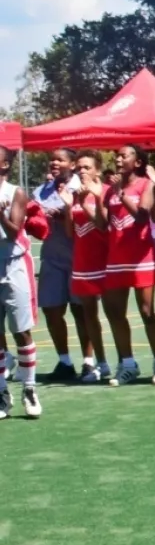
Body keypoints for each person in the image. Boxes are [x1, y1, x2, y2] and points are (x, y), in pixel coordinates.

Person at [99, 144, 155, 386]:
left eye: (124, 155)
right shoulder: (110, 190)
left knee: (147, 312)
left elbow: (142, 217)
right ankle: (128, 364)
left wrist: (120, 193)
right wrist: (94, 195)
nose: (118, 159)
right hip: (116, 259)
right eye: (116, 155)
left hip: (141, 257)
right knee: (115, 313)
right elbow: (101, 223)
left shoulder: (144, 184)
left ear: (137, 162)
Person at [31, 149, 83, 381]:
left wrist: (65, 214)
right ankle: (64, 361)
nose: (54, 162)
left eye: (60, 159)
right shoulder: (40, 191)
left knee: (81, 311)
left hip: (79, 257)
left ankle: (91, 362)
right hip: (51, 257)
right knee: (51, 310)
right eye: (51, 158)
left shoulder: (82, 187)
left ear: (72, 164)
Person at [0, 146, 42, 418]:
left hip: (13, 266)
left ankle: (29, 388)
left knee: (21, 331)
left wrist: (0, 215)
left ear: (4, 165)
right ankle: (2, 393)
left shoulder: (16, 192)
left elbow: (15, 232)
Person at [67, 154, 109, 381]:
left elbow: (103, 227)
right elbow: (69, 231)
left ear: (98, 170)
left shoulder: (106, 191)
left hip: (105, 261)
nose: (82, 171)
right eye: (79, 167)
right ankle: (100, 364)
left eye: (87, 167)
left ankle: (125, 361)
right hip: (83, 262)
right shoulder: (75, 194)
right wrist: (67, 207)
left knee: (114, 314)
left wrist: (93, 198)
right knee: (89, 316)